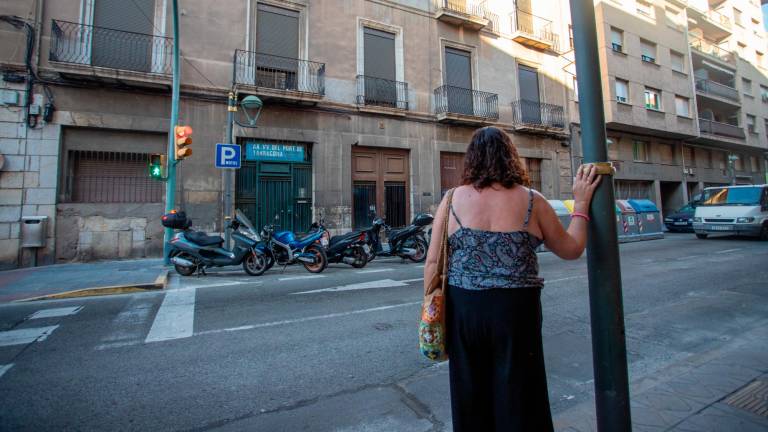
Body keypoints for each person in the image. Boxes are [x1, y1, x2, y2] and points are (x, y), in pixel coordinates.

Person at [423, 126, 601, 431]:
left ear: (472, 159)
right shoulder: (532, 201)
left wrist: (433, 309)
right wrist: (581, 205)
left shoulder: (451, 199)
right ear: (511, 157)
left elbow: (432, 262)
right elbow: (571, 249)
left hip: (464, 310)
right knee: (520, 394)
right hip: (516, 312)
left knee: (469, 393)